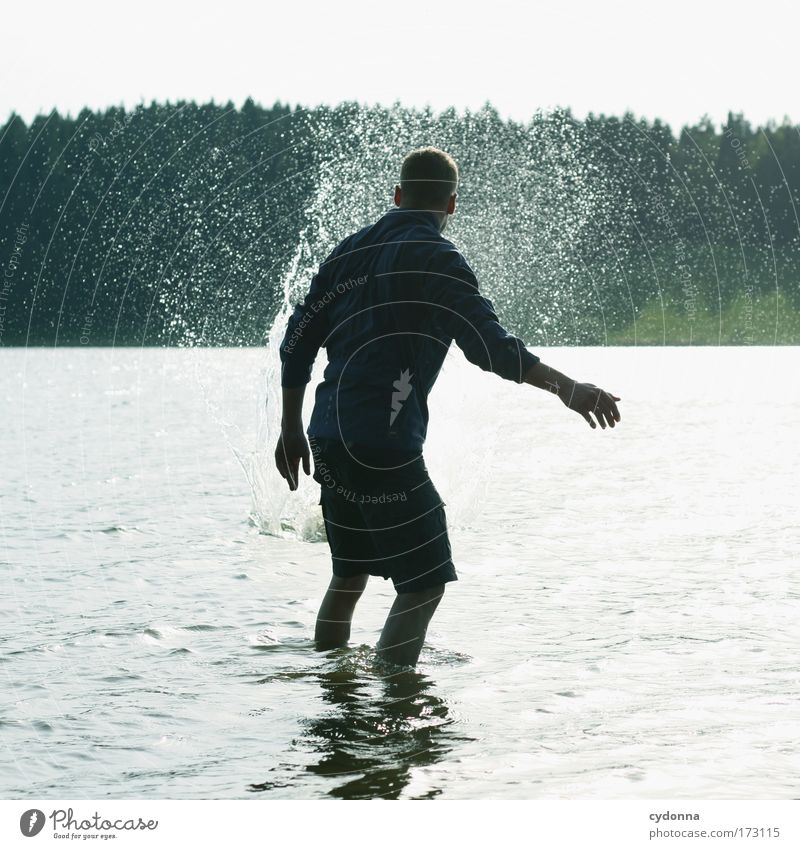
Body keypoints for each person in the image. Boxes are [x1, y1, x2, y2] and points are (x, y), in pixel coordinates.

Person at [275, 147, 621, 667]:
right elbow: (492, 350)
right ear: (452, 204)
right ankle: (394, 700)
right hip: (383, 442)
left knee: (348, 576)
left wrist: (290, 428)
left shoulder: (347, 252)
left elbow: (296, 343)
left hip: (325, 432)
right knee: (426, 581)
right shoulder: (438, 260)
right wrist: (567, 388)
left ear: (397, 195)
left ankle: (332, 696)